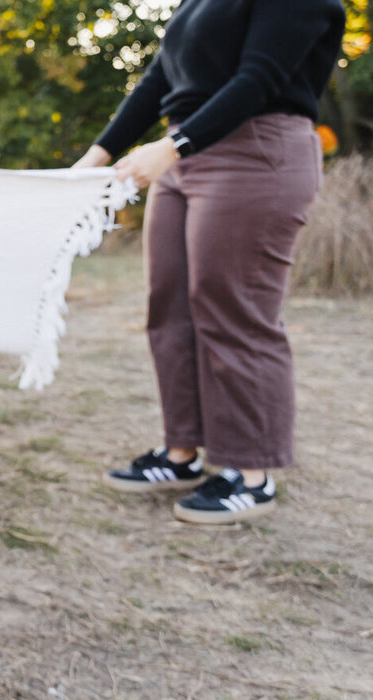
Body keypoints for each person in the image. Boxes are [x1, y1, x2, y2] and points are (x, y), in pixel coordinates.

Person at [73, 0, 346, 524]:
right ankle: (182, 454)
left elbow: (259, 78)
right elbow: (160, 79)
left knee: (234, 311)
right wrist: (96, 157)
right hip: (184, 153)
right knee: (169, 309)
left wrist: (174, 145)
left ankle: (251, 473)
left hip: (254, 151)